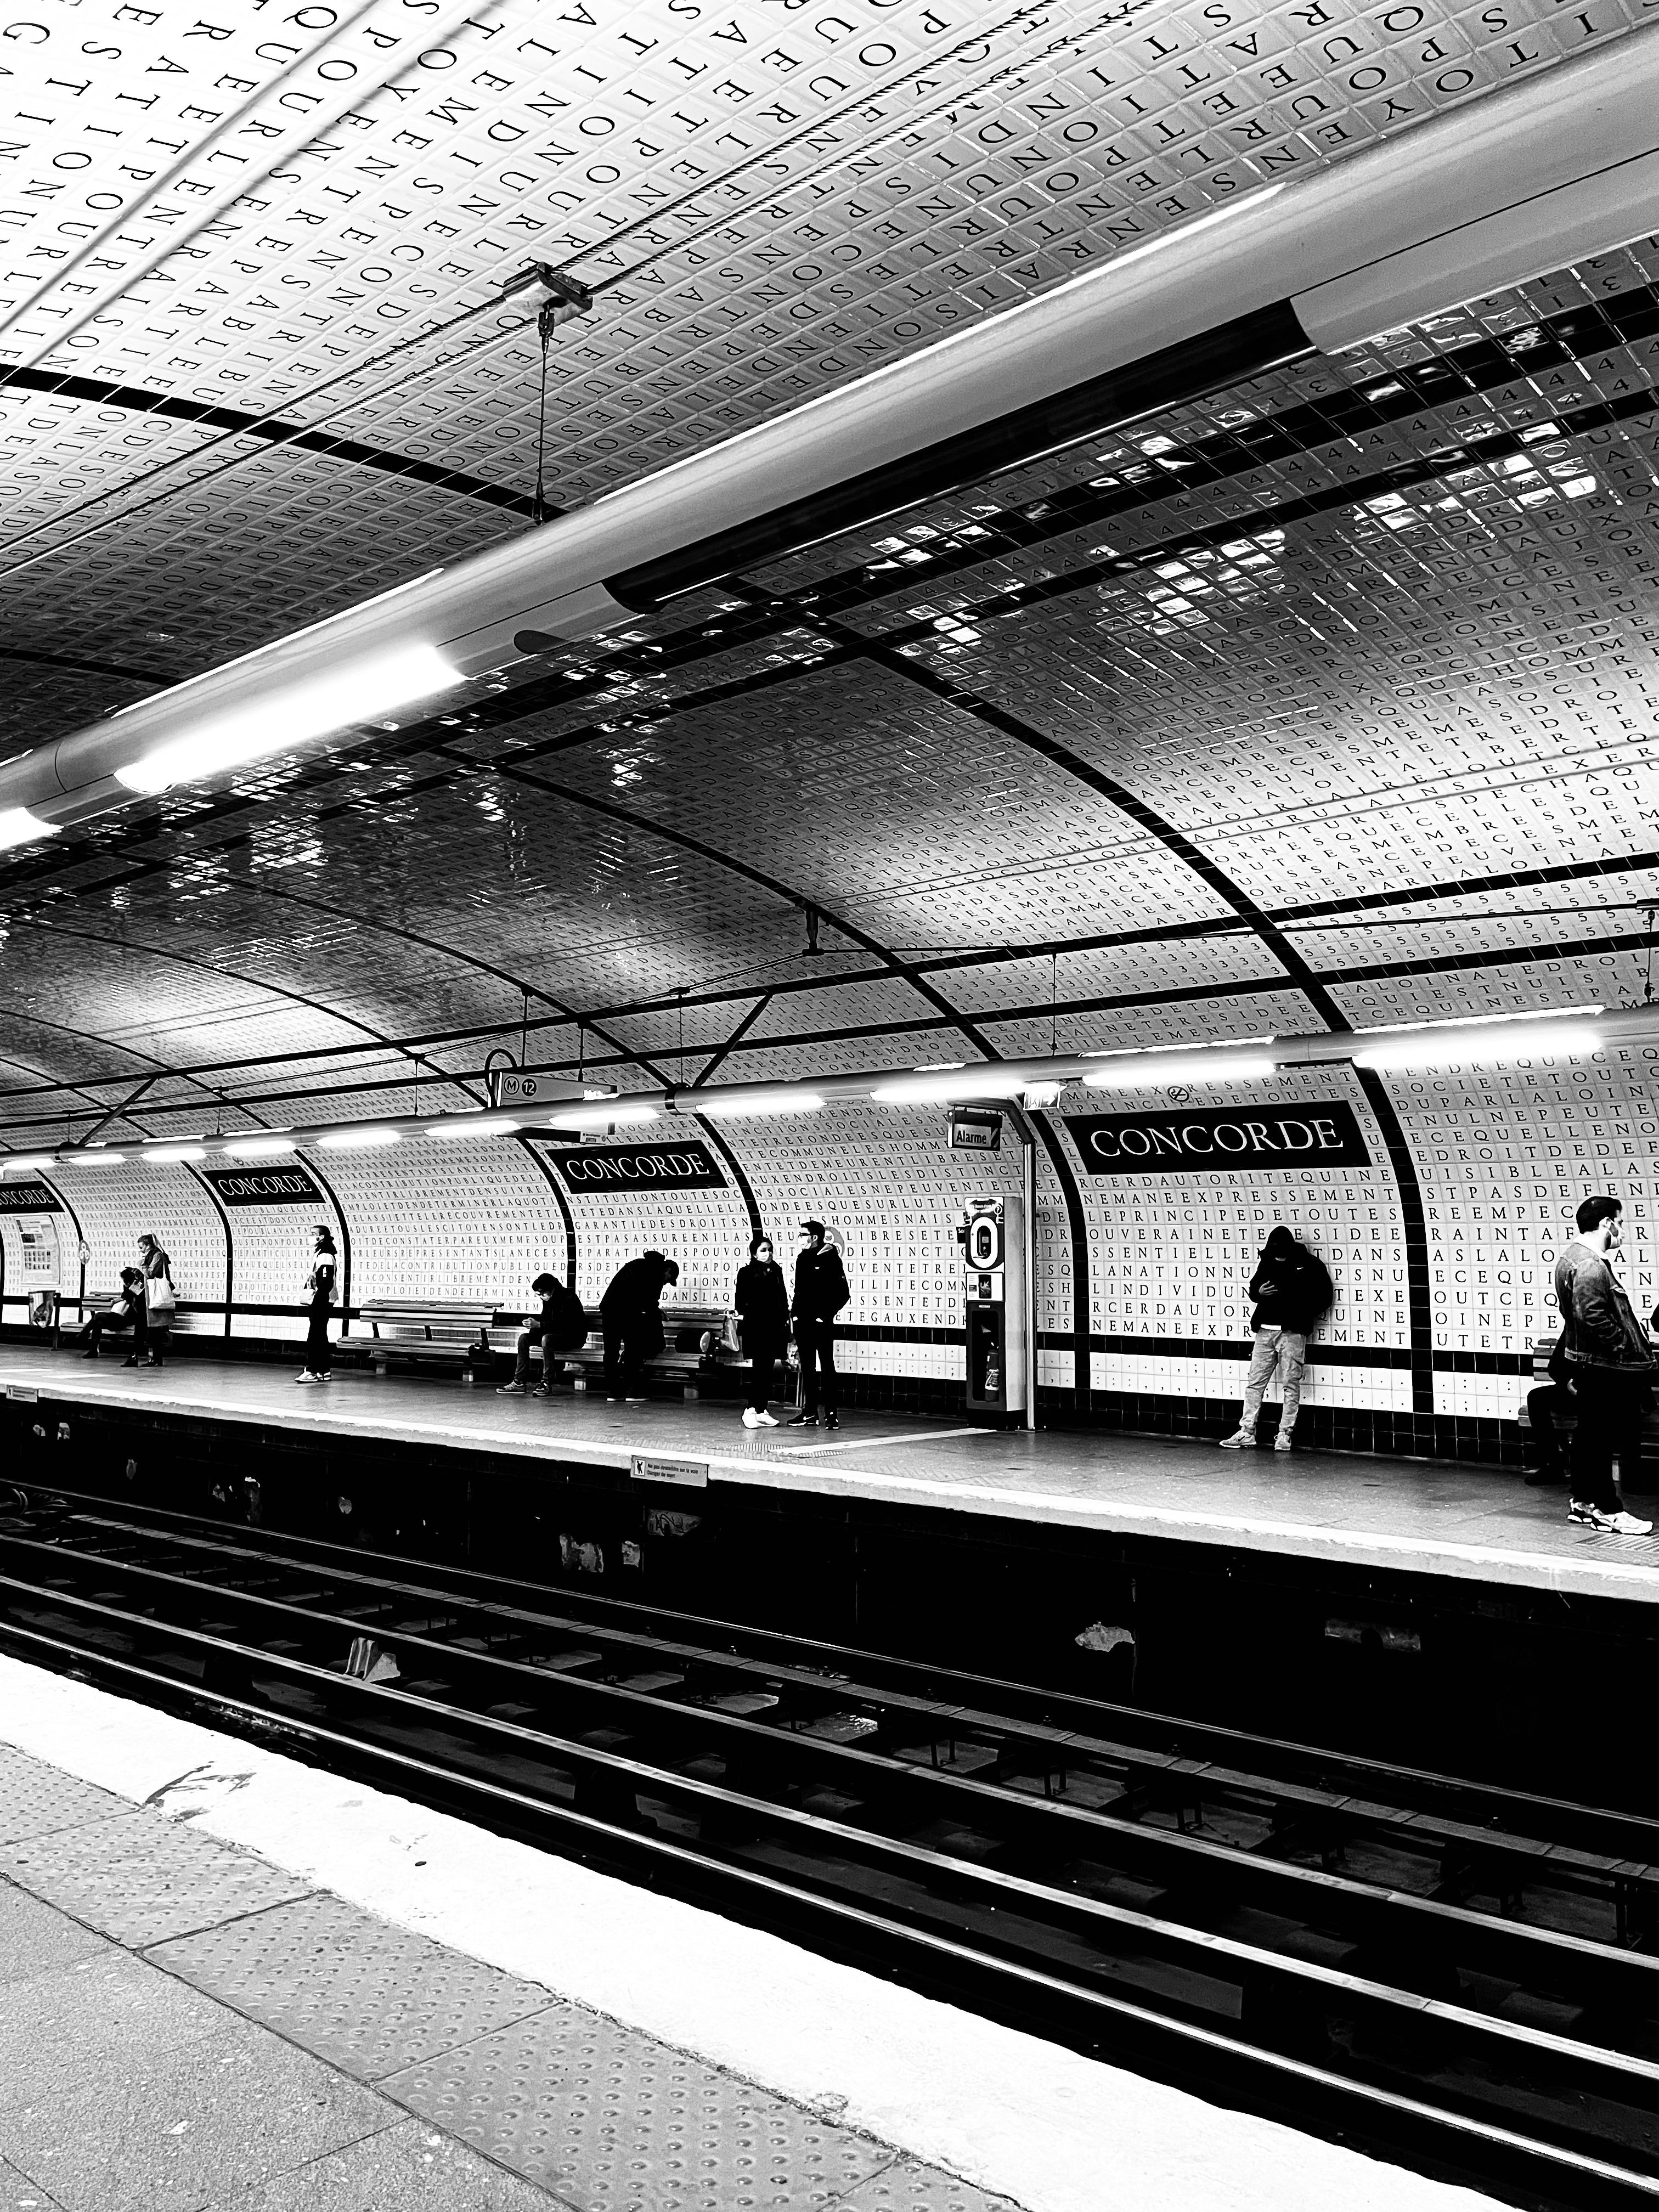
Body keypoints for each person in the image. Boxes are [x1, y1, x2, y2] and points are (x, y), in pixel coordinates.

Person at [1554, 1194, 1655, 1536]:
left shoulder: (1571, 1258)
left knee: (1588, 1435)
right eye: (1620, 1223)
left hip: (1588, 1363)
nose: (1623, 1230)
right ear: (1607, 1224)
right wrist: (1625, 1349)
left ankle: (1583, 1503)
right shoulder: (1590, 1265)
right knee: (1600, 1438)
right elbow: (1591, 1316)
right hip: (1605, 1366)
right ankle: (1607, 1509)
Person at [1220, 1225, 1333, 1452]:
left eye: (1281, 1251)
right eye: (1274, 1251)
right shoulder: (1268, 1261)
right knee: (1255, 1383)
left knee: (1291, 1384)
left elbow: (1325, 1296)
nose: (1278, 1255)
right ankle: (1247, 1432)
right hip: (1264, 1331)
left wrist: (1301, 1312)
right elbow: (1254, 1289)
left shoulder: (1309, 1265)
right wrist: (1258, 1293)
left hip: (1292, 1333)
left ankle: (1285, 1434)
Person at [788, 1218, 849, 1432]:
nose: (800, 1238)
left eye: (803, 1234)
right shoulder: (802, 1259)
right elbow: (799, 1291)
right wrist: (795, 1315)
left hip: (822, 1323)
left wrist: (824, 1316)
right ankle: (810, 1412)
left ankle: (831, 1414)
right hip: (802, 1322)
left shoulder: (831, 1259)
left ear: (814, 1237)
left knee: (827, 1366)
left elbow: (843, 1293)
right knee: (807, 1367)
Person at [600, 1250, 679, 1402]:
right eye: (669, 1279)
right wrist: (654, 1312)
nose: (666, 1283)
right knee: (633, 1349)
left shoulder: (637, 1264)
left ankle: (614, 1392)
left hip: (610, 1310)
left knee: (611, 1352)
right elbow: (647, 1300)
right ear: (668, 1270)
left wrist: (655, 1309)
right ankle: (634, 1392)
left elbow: (637, 1293)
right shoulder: (656, 1274)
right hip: (628, 1312)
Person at [500, 1271, 589, 1395]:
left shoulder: (569, 1298)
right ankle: (519, 1382)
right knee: (524, 1338)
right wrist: (534, 1326)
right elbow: (546, 1320)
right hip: (555, 1336)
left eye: (542, 1293)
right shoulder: (549, 1300)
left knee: (547, 1339)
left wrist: (539, 1325)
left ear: (551, 1290)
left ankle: (547, 1383)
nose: (541, 1296)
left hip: (573, 1337)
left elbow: (564, 1325)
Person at [733, 1233, 789, 1429]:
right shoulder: (746, 1272)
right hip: (756, 1326)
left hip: (775, 1326)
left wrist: (785, 1319)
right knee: (759, 1368)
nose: (768, 1253)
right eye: (763, 1250)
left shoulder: (776, 1270)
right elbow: (740, 1301)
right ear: (755, 1254)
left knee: (767, 1369)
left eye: (770, 1249)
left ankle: (761, 1410)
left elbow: (782, 1297)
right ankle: (750, 1410)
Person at [1523, 1330, 1573, 1487]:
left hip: (1601, 1391)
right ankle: (1552, 1465)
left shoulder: (1611, 1329)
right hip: (1574, 1390)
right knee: (1536, 1398)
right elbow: (1555, 1366)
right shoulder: (1573, 1328)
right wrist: (1568, 1382)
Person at [296, 1224, 337, 1385]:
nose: (311, 1236)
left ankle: (312, 1370)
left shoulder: (325, 1255)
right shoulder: (321, 1253)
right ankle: (324, 1370)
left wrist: (317, 1301)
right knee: (320, 1335)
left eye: (314, 1234)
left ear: (322, 1237)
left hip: (322, 1299)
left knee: (314, 1335)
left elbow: (326, 1282)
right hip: (323, 1299)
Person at [127, 1232, 175, 1368]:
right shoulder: (149, 1257)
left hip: (153, 1299)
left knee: (154, 1331)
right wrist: (132, 1290)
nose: (140, 1250)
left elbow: (151, 1274)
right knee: (149, 1330)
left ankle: (155, 1359)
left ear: (148, 1246)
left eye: (141, 1247)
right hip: (146, 1300)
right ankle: (141, 1357)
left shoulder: (157, 1256)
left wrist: (141, 1265)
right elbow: (143, 1279)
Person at [76, 1267, 144, 1358]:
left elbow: (128, 1299)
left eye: (124, 1280)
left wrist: (117, 1300)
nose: (123, 1282)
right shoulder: (130, 1287)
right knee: (98, 1323)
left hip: (124, 1319)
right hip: (118, 1318)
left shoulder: (136, 1288)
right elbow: (125, 1297)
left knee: (98, 1316)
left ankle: (83, 1336)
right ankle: (92, 1349)